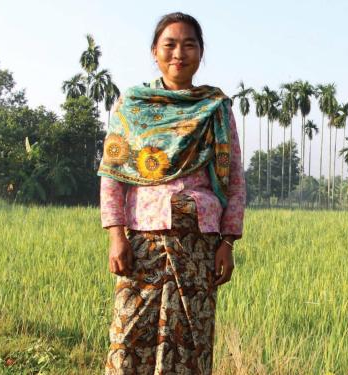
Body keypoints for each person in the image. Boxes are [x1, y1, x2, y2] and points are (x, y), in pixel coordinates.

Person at [97, 12, 246, 375]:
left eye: (189, 44)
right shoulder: (132, 106)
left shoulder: (215, 108)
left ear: (200, 53)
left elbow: (234, 178)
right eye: (170, 44)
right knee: (129, 338)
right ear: (155, 51)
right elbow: (113, 173)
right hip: (142, 244)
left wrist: (228, 242)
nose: (179, 53)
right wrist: (116, 236)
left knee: (190, 343)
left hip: (199, 245)